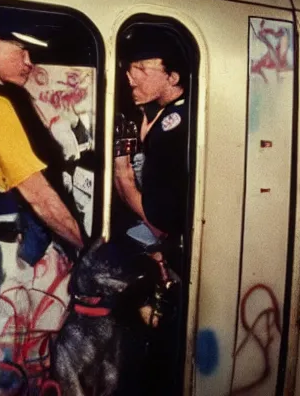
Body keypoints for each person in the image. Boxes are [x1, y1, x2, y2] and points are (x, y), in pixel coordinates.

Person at [0, 16, 84, 395]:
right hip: (7, 258)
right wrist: (84, 244)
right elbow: (37, 193)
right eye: (22, 50)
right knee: (5, 366)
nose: (30, 62)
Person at [112, 24, 192, 395]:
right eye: (130, 69)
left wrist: (126, 185)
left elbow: (160, 213)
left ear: (173, 76)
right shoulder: (158, 115)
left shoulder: (176, 123)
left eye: (142, 70)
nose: (131, 77)